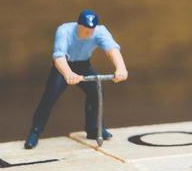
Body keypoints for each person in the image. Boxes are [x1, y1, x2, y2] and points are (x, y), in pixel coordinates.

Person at [24, 10, 127, 149]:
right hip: (63, 67)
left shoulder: (100, 31)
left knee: (96, 91)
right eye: (85, 29)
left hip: (83, 65)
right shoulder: (64, 30)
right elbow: (59, 56)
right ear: (78, 25)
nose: (88, 33)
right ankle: (34, 132)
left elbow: (112, 49)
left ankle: (93, 129)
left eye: (91, 30)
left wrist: (121, 68)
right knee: (49, 97)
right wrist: (68, 74)